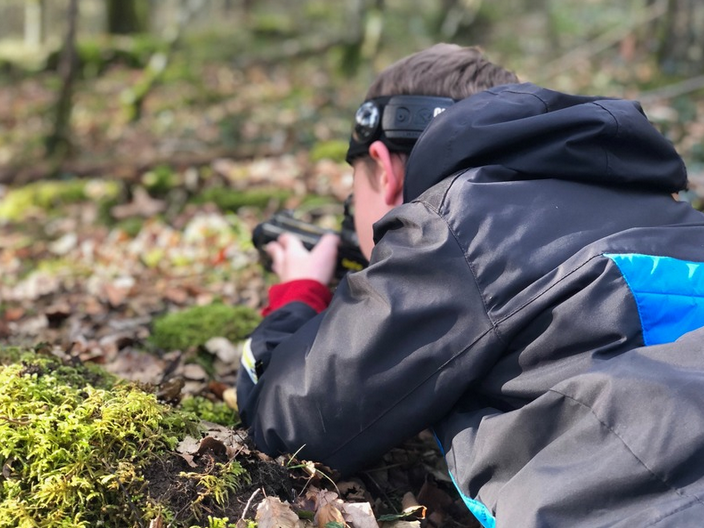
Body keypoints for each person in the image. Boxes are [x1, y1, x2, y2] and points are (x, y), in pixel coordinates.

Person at [236, 43, 704, 527]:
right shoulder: (682, 221)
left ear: (383, 168)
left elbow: (285, 422)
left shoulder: (455, 226)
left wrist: (299, 290)